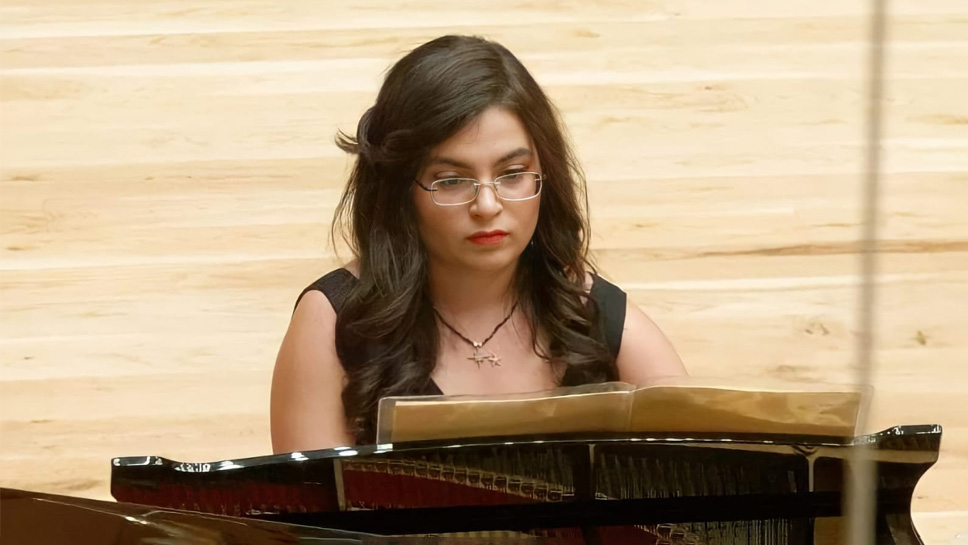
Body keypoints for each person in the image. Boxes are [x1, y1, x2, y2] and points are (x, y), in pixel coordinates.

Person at [270, 35, 686, 454]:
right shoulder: (333, 320)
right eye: (451, 181)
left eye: (512, 174)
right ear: (400, 189)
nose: (487, 205)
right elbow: (304, 514)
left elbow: (706, 473)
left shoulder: (597, 313)